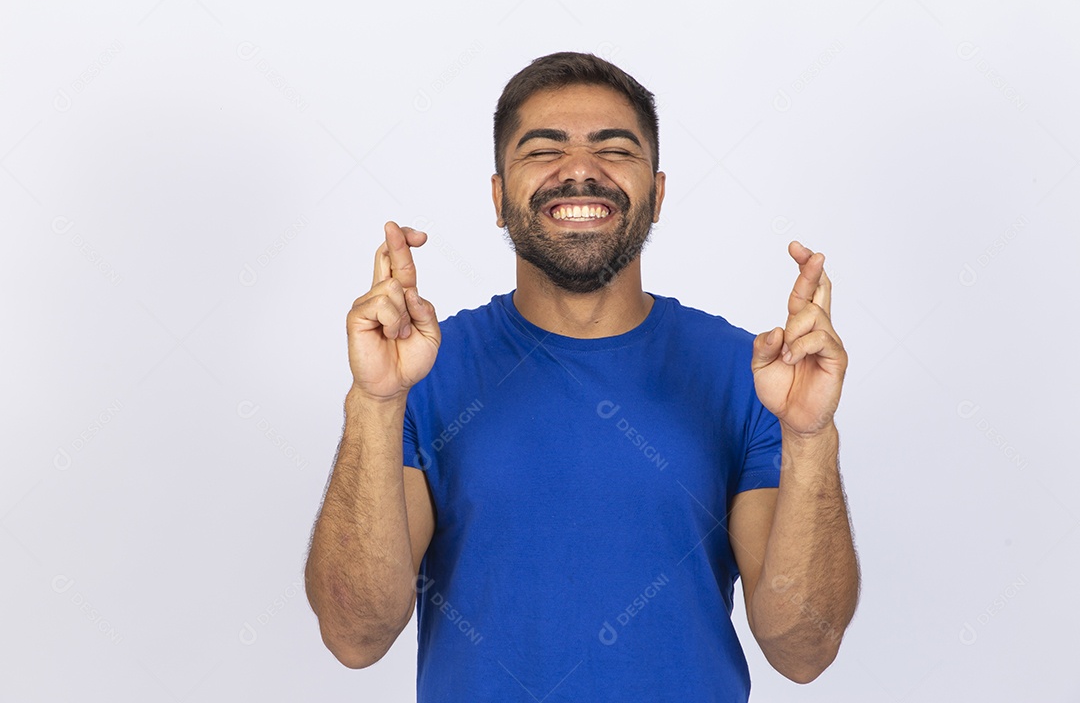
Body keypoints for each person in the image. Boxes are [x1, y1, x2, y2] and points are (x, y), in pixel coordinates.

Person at [304, 51, 860, 701]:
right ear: (497, 197)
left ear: (656, 194)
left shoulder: (755, 377)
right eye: (543, 150)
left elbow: (803, 650)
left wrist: (812, 436)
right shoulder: (420, 375)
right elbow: (355, 635)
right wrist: (374, 401)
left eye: (614, 149)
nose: (579, 171)